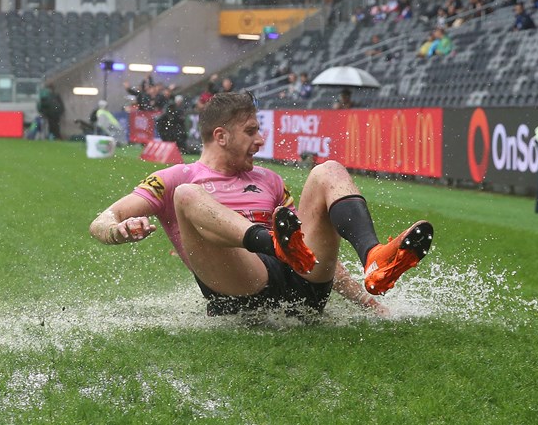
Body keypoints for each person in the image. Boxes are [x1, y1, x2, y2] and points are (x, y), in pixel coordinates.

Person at [89, 92, 434, 317]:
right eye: (251, 131)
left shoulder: (270, 179)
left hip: (303, 284)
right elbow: (103, 220)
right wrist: (116, 230)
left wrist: (369, 304)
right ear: (221, 136)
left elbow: (306, 246)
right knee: (187, 195)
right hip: (241, 287)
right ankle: (273, 245)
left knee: (328, 169)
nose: (260, 139)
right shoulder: (178, 176)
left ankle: (374, 258)